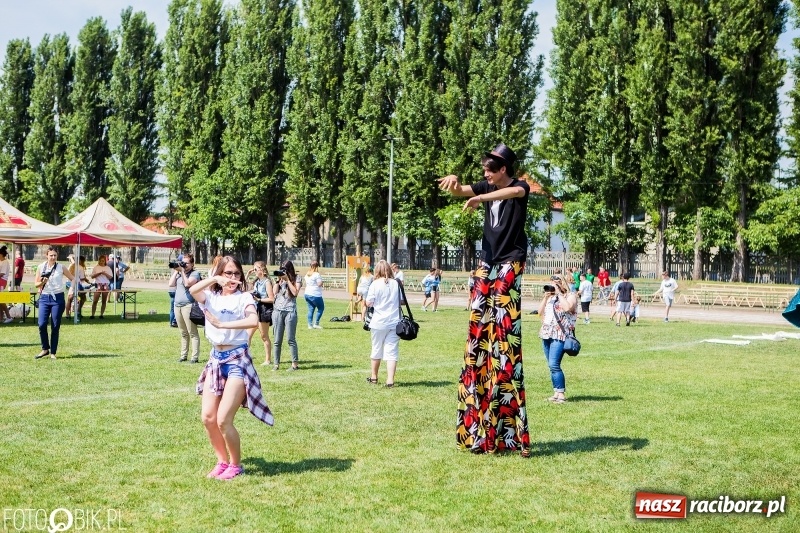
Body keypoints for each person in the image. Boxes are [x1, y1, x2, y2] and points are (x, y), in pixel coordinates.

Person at [440, 142, 531, 456]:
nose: (484, 177)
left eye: (488, 172)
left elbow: (510, 194)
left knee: (504, 340)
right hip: (487, 262)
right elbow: (460, 192)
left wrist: (480, 196)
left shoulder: (519, 186)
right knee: (477, 331)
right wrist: (455, 184)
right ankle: (477, 432)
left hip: (510, 260)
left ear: (502, 169)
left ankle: (506, 432)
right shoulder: (485, 185)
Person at [191, 255, 273, 480]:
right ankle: (222, 461)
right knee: (208, 417)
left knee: (223, 419)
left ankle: (236, 465)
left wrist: (221, 324)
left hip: (237, 360)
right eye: (228, 273)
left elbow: (252, 321)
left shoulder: (244, 297)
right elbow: (192, 290)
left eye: (236, 273)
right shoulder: (211, 297)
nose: (233, 278)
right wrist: (214, 279)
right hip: (216, 360)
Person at [538, 274, 577, 403]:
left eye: (557, 282)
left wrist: (559, 293)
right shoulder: (551, 297)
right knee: (551, 365)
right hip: (547, 333)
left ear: (563, 283)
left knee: (554, 364)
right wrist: (545, 298)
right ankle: (556, 392)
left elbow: (567, 308)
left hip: (560, 334)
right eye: (552, 282)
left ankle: (561, 394)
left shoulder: (570, 296)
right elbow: (540, 313)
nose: (554, 285)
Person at [365, 260, 402, 387]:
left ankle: (374, 377)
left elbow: (369, 302)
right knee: (392, 351)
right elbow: (401, 301)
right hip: (394, 322)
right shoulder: (396, 283)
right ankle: (390, 380)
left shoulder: (375, 284)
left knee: (376, 349)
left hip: (379, 321)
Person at [34, 246, 75, 359]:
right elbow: (36, 284)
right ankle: (45, 349)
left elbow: (73, 278)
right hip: (44, 298)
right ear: (46, 256)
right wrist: (42, 282)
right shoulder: (41, 267)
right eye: (51, 255)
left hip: (58, 298)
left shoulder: (61, 267)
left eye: (55, 255)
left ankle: (53, 352)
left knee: (55, 325)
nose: (53, 257)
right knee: (42, 324)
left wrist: (71, 289)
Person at [272, 260, 300, 371]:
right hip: (278, 311)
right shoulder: (280, 280)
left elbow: (295, 293)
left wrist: (288, 280)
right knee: (277, 340)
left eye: (285, 269)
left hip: (290, 311)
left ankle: (294, 364)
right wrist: (278, 281)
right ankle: (276, 364)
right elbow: (274, 293)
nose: (283, 272)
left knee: (290, 339)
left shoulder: (296, 278)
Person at [174, 254, 202, 362]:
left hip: (188, 305)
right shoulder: (180, 273)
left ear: (192, 264)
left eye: (186, 263)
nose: (184, 265)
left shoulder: (195, 274)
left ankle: (194, 357)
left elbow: (187, 284)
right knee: (183, 332)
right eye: (183, 262)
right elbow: (171, 284)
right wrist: (176, 271)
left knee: (192, 332)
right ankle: (183, 355)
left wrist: (181, 271)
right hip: (177, 306)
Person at [247, 261, 274, 366]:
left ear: (261, 269)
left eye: (255, 269)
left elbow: (271, 299)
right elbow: (243, 287)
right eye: (253, 269)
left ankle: (268, 359)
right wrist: (247, 274)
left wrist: (259, 300)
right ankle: (245, 357)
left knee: (264, 336)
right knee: (247, 335)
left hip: (263, 310)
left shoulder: (266, 282)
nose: (254, 271)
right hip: (255, 310)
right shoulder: (257, 282)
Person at [89, 255, 113, 319]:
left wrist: (105, 274)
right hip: (98, 284)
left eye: (103, 261)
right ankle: (92, 314)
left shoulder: (108, 268)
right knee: (95, 301)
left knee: (104, 300)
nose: (101, 262)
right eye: (100, 261)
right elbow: (92, 276)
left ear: (105, 261)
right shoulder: (96, 267)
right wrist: (99, 273)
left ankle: (101, 314)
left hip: (106, 284)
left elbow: (110, 277)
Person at [66, 255, 89, 319]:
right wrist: (85, 279)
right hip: (76, 284)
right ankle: (78, 311)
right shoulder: (80, 267)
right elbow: (82, 278)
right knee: (83, 298)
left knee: (69, 299)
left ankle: (67, 314)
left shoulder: (71, 265)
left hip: (68, 283)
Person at [303, 261, 325, 329]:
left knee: (311, 309)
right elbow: (319, 284)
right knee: (321, 308)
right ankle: (316, 323)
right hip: (315, 294)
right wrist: (322, 282)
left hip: (307, 293)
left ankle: (310, 325)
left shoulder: (307, 274)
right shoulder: (316, 274)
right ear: (317, 266)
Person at [0, 246, 12, 323]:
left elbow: (2, 273)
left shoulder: (5, 262)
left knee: (1, 299)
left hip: (2, 281)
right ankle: (1, 317)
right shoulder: (1, 261)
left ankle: (8, 316)